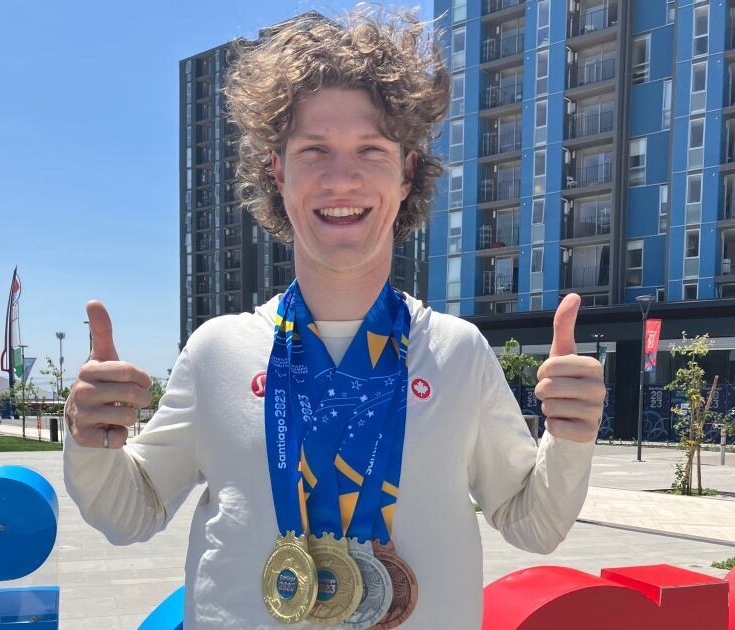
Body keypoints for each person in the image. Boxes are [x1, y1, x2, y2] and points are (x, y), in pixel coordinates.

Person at [64, 8, 605, 629]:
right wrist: (92, 439)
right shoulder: (217, 352)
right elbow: (130, 512)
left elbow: (533, 521)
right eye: (313, 150)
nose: (340, 177)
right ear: (278, 172)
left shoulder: (457, 351)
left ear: (406, 174)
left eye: (370, 150)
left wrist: (569, 436)